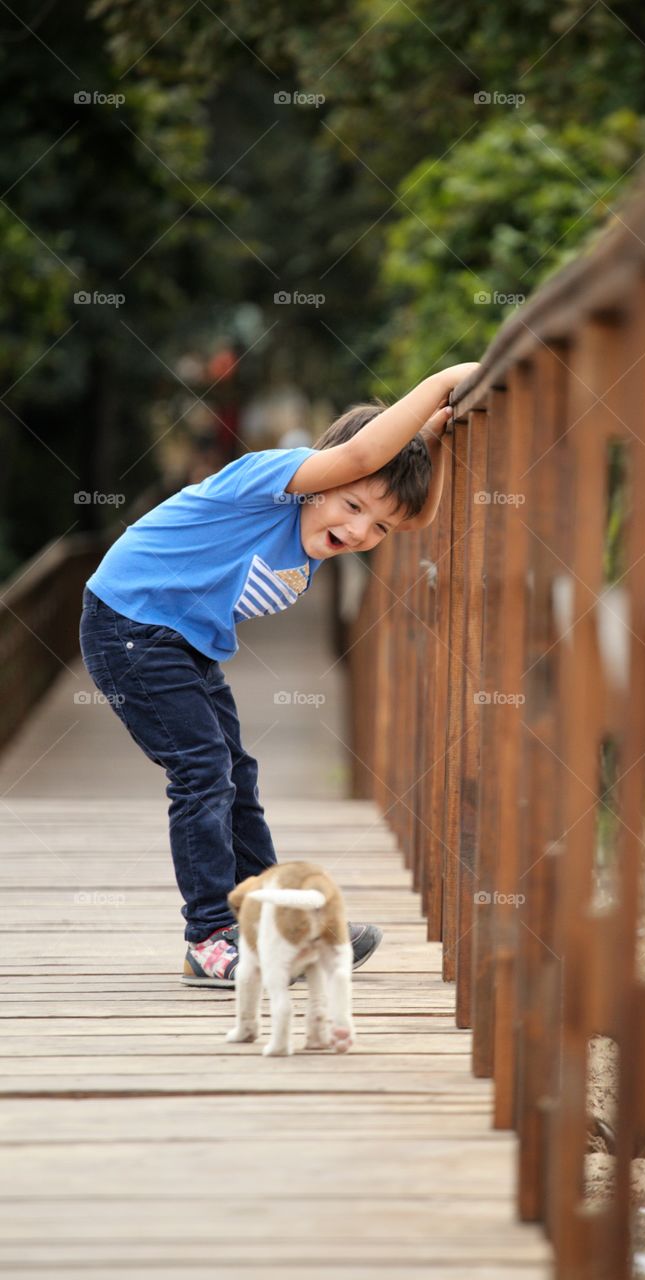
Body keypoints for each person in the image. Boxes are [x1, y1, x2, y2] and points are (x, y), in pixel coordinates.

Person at [78, 362, 480, 987]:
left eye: (377, 529)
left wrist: (435, 437)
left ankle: (277, 922)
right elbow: (367, 452)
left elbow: (416, 514)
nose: (356, 531)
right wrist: (446, 379)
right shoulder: (270, 479)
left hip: (182, 643)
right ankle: (209, 938)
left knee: (235, 773)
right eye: (350, 505)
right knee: (202, 770)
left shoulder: (336, 522)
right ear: (323, 479)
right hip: (130, 625)